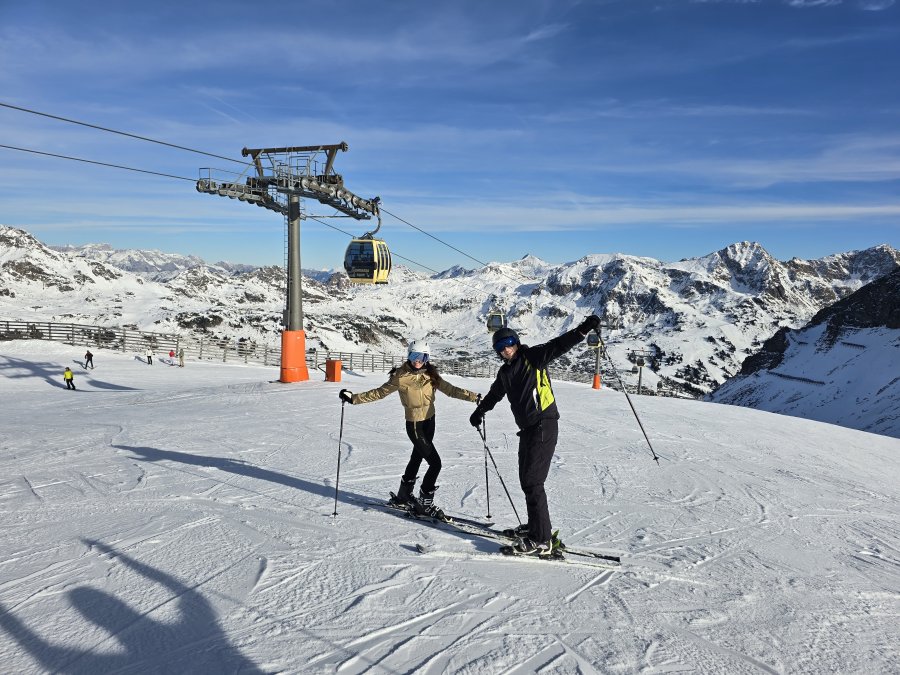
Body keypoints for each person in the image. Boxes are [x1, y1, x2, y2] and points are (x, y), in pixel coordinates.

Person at [468, 315, 602, 556]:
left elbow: (559, 345)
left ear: (516, 342)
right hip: (528, 429)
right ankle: (536, 527)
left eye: (509, 343)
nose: (506, 349)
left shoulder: (532, 357)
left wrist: (583, 329)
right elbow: (494, 394)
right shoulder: (505, 372)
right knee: (526, 480)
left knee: (533, 481)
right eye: (501, 347)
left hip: (543, 424)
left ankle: (541, 540)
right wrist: (480, 411)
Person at [338, 340, 480, 519]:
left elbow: (450, 390)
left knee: (417, 457)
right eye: (414, 356)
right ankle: (424, 505)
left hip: (430, 421)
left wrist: (474, 397)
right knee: (435, 464)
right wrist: (353, 398)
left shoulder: (431, 374)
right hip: (414, 424)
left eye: (422, 357)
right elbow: (379, 392)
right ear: (408, 356)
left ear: (427, 358)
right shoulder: (400, 376)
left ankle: (404, 495)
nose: (417, 361)